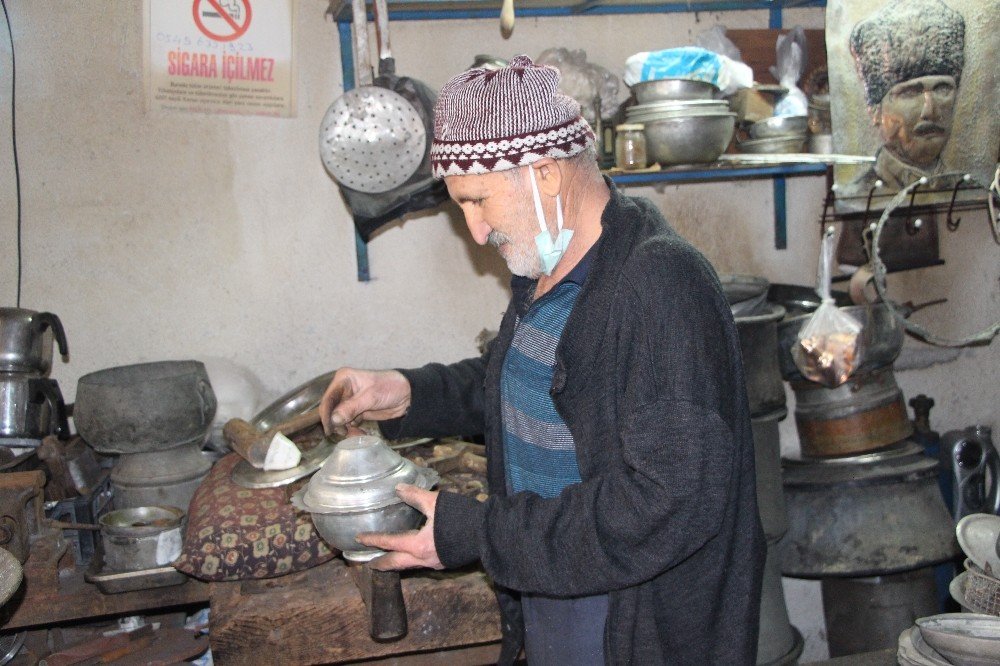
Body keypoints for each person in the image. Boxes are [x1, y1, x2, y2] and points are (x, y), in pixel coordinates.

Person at [319, 55, 765, 664]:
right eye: (461, 208)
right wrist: (408, 393)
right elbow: (534, 379)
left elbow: (667, 503)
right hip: (555, 577)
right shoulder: (551, 267)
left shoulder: (660, 287)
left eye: (478, 202)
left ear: (547, 176)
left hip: (627, 618)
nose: (474, 232)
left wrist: (478, 533)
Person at [839, 0, 965, 203]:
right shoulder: (859, 199)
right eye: (910, 93)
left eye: (942, 88)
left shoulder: (971, 193)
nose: (930, 110)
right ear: (874, 110)